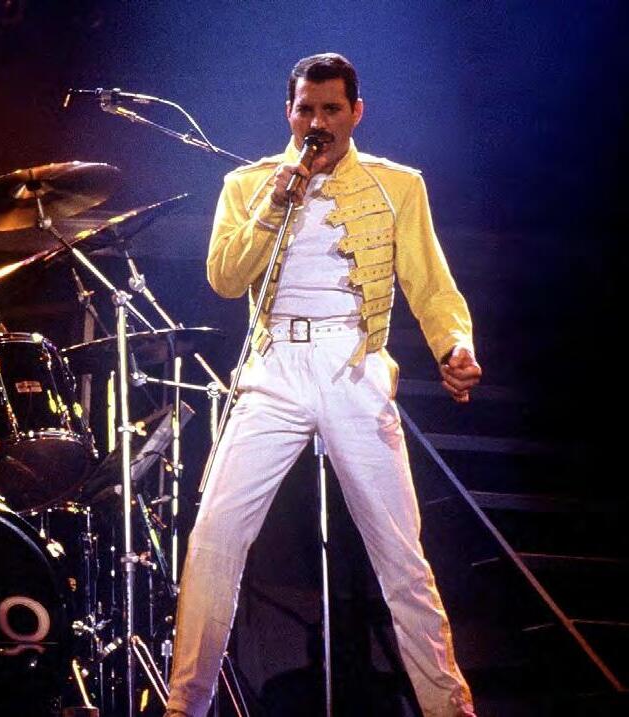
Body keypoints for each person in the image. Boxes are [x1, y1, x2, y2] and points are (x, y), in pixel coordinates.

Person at [165, 53, 482, 717]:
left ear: (355, 113)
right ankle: (183, 706)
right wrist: (273, 202)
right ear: (289, 114)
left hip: (353, 362)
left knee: (400, 557)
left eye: (331, 109)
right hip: (274, 364)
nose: (317, 122)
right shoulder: (247, 183)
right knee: (213, 537)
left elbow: (430, 284)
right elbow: (224, 279)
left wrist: (454, 345)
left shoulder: (398, 185)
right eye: (305, 110)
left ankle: (450, 708)